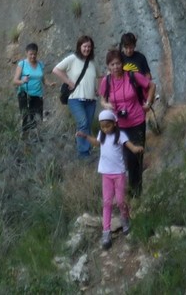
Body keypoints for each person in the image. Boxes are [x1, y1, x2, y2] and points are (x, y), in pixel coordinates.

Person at [76, 109, 144, 249]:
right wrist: (86, 136)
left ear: (114, 124)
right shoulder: (102, 135)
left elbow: (130, 146)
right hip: (106, 173)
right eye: (103, 127)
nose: (105, 129)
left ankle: (125, 219)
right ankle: (106, 232)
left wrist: (137, 149)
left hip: (119, 173)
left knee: (120, 201)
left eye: (108, 126)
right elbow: (96, 143)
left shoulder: (120, 135)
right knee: (107, 202)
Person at [98, 49, 154, 196]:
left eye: (118, 63)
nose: (115, 67)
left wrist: (148, 103)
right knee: (125, 158)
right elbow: (102, 99)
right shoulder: (106, 81)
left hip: (137, 121)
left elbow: (151, 86)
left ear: (122, 63)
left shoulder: (132, 76)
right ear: (108, 66)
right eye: (112, 64)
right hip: (119, 125)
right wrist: (106, 105)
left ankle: (136, 192)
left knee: (136, 157)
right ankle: (126, 190)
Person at [53, 35, 98, 158]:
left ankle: (85, 149)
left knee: (87, 125)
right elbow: (56, 70)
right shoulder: (72, 59)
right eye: (85, 46)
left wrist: (97, 89)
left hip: (91, 100)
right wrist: (68, 81)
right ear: (79, 47)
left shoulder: (92, 62)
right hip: (75, 98)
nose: (87, 49)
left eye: (89, 47)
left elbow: (97, 77)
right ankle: (83, 153)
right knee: (83, 123)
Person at [13, 43, 46, 139]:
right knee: (26, 116)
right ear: (26, 53)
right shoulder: (22, 64)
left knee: (37, 116)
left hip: (37, 94)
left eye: (35, 54)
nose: (33, 56)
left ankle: (36, 138)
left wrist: (49, 83)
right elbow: (15, 81)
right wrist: (22, 81)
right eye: (31, 54)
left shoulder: (40, 64)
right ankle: (25, 137)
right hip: (25, 94)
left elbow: (43, 79)